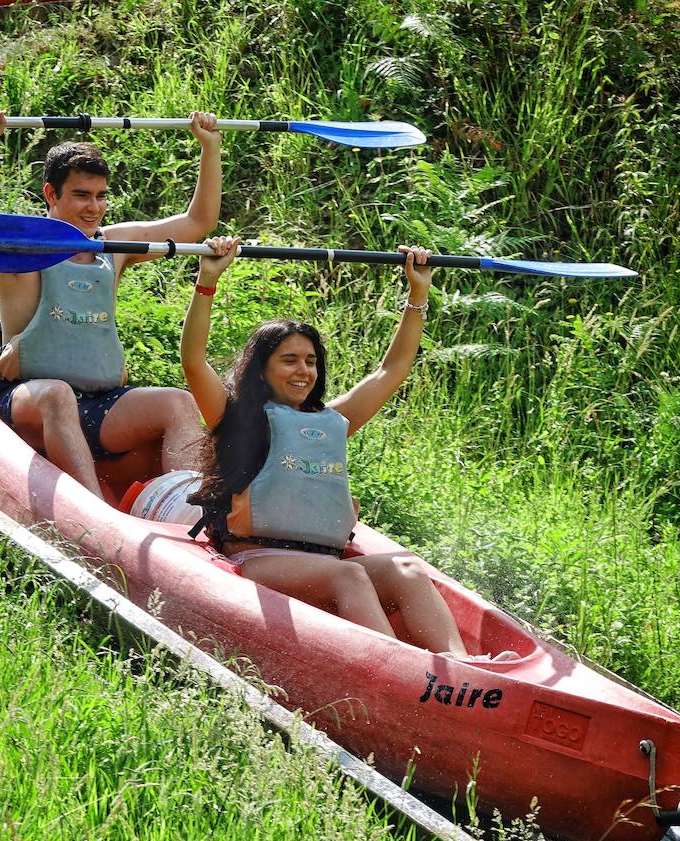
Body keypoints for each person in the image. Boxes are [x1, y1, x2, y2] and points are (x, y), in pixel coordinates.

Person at [180, 237, 490, 658]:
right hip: (258, 557)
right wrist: (208, 281)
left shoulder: (331, 422)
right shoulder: (234, 417)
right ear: (262, 369)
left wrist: (418, 294)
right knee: (350, 578)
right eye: (289, 360)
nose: (303, 370)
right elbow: (194, 359)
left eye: (310, 361)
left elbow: (390, 370)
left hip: (322, 560)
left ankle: (460, 662)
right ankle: (405, 668)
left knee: (409, 569)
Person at [0, 109, 221, 500]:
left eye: (101, 196)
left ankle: (187, 511)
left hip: (96, 403)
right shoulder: (22, 245)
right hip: (28, 397)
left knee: (177, 402)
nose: (93, 207)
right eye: (80, 195)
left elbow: (198, 222)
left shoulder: (114, 246)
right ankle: (97, 516)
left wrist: (210, 147)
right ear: (51, 195)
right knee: (57, 394)